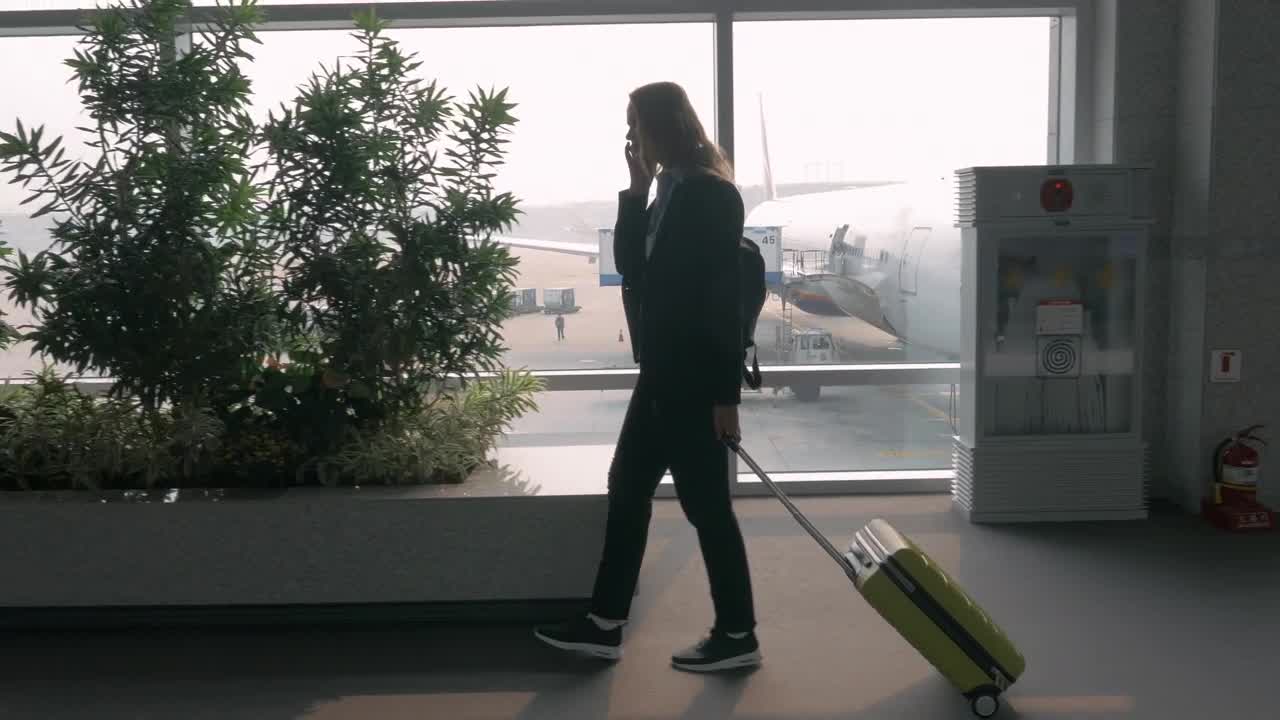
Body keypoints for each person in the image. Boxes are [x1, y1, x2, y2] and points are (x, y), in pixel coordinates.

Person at [534, 81, 758, 673]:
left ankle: (737, 633)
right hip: (662, 375)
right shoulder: (670, 191)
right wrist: (635, 191)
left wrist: (724, 396)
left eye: (634, 122)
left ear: (662, 125)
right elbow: (632, 267)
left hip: (688, 381)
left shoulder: (710, 195)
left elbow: (721, 303)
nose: (629, 134)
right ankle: (606, 623)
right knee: (630, 488)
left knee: (705, 507)